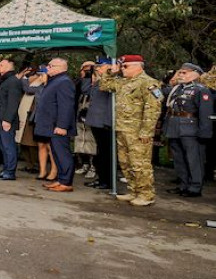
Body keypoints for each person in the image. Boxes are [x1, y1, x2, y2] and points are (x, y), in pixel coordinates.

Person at [99, 55, 163, 206]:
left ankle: (146, 194)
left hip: (137, 132)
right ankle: (133, 190)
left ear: (138, 66)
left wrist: (146, 131)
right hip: (122, 129)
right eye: (121, 66)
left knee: (140, 164)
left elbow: (153, 109)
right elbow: (104, 85)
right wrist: (110, 72)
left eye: (125, 66)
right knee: (125, 162)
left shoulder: (148, 83)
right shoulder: (122, 82)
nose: (122, 69)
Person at [163, 62, 213, 198]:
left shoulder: (201, 90)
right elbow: (163, 95)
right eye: (180, 72)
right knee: (179, 159)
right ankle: (183, 184)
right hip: (174, 127)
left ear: (195, 74)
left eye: (184, 73)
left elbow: (205, 113)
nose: (180, 74)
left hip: (191, 129)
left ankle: (195, 187)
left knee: (193, 159)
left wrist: (205, 132)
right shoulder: (177, 89)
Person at [33, 58, 77, 192]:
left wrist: (62, 126)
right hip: (50, 126)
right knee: (57, 154)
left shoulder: (64, 82)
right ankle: (61, 179)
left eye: (50, 66)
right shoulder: (54, 81)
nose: (47, 68)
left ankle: (66, 182)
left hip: (58, 127)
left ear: (59, 68)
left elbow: (66, 106)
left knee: (62, 154)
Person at [0, 58, 22, 180]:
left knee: (9, 147)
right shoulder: (3, 80)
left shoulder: (13, 81)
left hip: (5, 120)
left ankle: (10, 171)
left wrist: (7, 120)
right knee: (3, 147)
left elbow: (13, 103)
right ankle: (6, 168)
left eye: (2, 64)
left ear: (9, 66)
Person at [84, 60, 115, 191]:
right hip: (96, 121)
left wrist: (108, 122)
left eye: (100, 67)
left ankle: (106, 181)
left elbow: (110, 103)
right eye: (97, 67)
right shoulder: (98, 80)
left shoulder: (112, 80)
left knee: (105, 153)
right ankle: (102, 178)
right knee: (100, 152)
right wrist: (91, 78)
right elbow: (85, 90)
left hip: (104, 122)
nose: (98, 69)